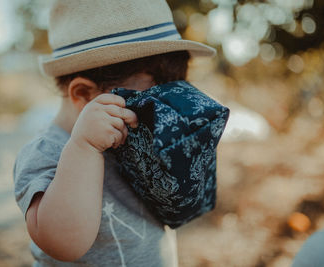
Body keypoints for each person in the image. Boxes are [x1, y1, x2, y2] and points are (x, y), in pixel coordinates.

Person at [13, 0, 216, 266]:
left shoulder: (135, 139)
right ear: (85, 95)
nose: (166, 110)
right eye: (151, 102)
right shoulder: (46, 153)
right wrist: (83, 147)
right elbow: (62, 244)